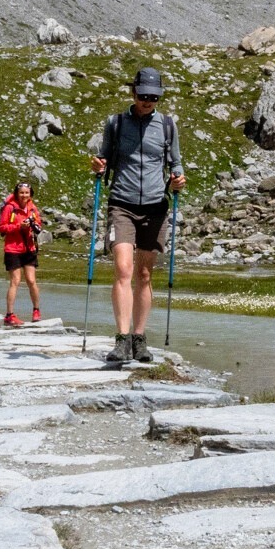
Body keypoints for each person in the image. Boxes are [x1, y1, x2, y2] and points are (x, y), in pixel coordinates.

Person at [89, 66, 186, 365]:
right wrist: (98, 166)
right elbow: (104, 157)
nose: (147, 101)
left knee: (144, 274)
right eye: (143, 95)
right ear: (133, 92)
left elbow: (176, 164)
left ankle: (140, 339)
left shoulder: (168, 126)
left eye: (153, 97)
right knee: (123, 268)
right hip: (122, 204)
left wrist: (178, 180)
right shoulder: (115, 123)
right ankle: (121, 339)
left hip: (156, 206)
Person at [0, 179, 45, 327]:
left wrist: (32, 226)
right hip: (13, 248)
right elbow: (2, 228)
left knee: (31, 280)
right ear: (17, 194)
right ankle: (9, 315)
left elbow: (38, 225)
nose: (24, 195)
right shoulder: (9, 208)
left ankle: (36, 311)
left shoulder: (33, 208)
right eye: (21, 193)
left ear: (31, 194)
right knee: (15, 281)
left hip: (29, 248)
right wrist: (19, 226)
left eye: (27, 193)